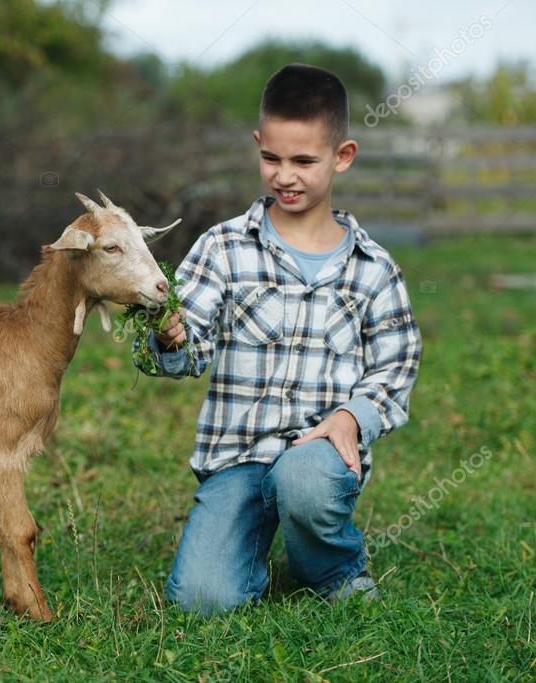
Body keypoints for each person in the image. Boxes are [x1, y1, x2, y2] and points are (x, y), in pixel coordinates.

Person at [136, 63, 422, 614]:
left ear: (342, 156)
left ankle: (329, 566)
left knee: (305, 484)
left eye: (303, 161)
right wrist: (171, 338)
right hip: (238, 457)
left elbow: (397, 364)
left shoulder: (372, 268)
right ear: (258, 145)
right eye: (271, 158)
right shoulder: (223, 248)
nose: (284, 175)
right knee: (202, 600)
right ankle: (245, 541)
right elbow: (188, 348)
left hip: (317, 454)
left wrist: (351, 417)